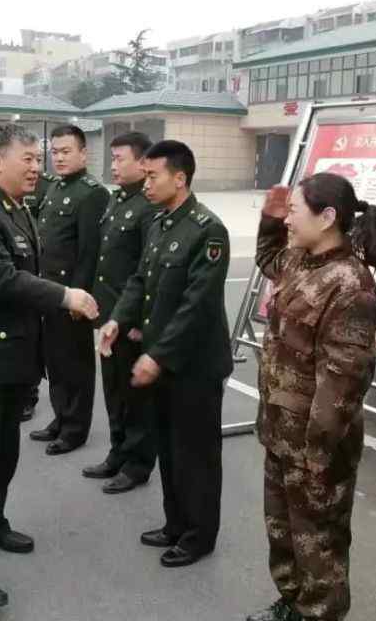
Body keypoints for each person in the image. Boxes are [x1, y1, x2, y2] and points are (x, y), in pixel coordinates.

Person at [0, 123, 99, 612]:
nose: (37, 167)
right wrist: (64, 295)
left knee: (4, 455)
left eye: (39, 158)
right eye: (27, 159)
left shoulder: (18, 209)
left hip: (12, 361)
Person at [246, 173, 376, 621]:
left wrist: (317, 455)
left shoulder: (350, 286)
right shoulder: (300, 259)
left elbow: (342, 385)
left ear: (328, 217)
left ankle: (318, 615)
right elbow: (267, 258)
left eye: (295, 211)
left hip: (316, 448)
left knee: (319, 544)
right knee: (284, 534)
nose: (290, 219)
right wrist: (271, 220)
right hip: (281, 433)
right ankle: (292, 604)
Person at [98, 139, 232, 568]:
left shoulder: (208, 231)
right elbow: (139, 281)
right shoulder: (160, 223)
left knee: (196, 455)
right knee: (171, 450)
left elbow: (197, 305)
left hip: (194, 367)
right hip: (163, 360)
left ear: (180, 177)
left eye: (154, 174)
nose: (147, 181)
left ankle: (198, 535)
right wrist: (118, 318)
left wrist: (158, 356)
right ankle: (176, 524)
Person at [83, 131, 159, 494]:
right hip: (110, 315)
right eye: (111, 159)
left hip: (130, 321)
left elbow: (149, 272)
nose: (112, 166)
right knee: (113, 388)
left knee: (137, 397)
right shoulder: (118, 201)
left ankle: (138, 464)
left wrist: (138, 324)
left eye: (120, 159)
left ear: (144, 163)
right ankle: (118, 453)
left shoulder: (149, 207)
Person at [29, 125, 109, 455]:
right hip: (50, 290)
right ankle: (60, 418)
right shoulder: (55, 188)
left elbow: (90, 253)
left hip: (72, 294)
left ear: (83, 153)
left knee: (75, 363)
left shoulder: (92, 193)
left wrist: (80, 297)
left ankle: (75, 428)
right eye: (55, 152)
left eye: (66, 151)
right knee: (55, 360)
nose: (59, 157)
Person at [21, 165, 60, 421]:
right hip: (20, 268)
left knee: (34, 337)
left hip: (38, 269)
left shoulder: (47, 184)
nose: (32, 166)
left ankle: (29, 395)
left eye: (35, 157)